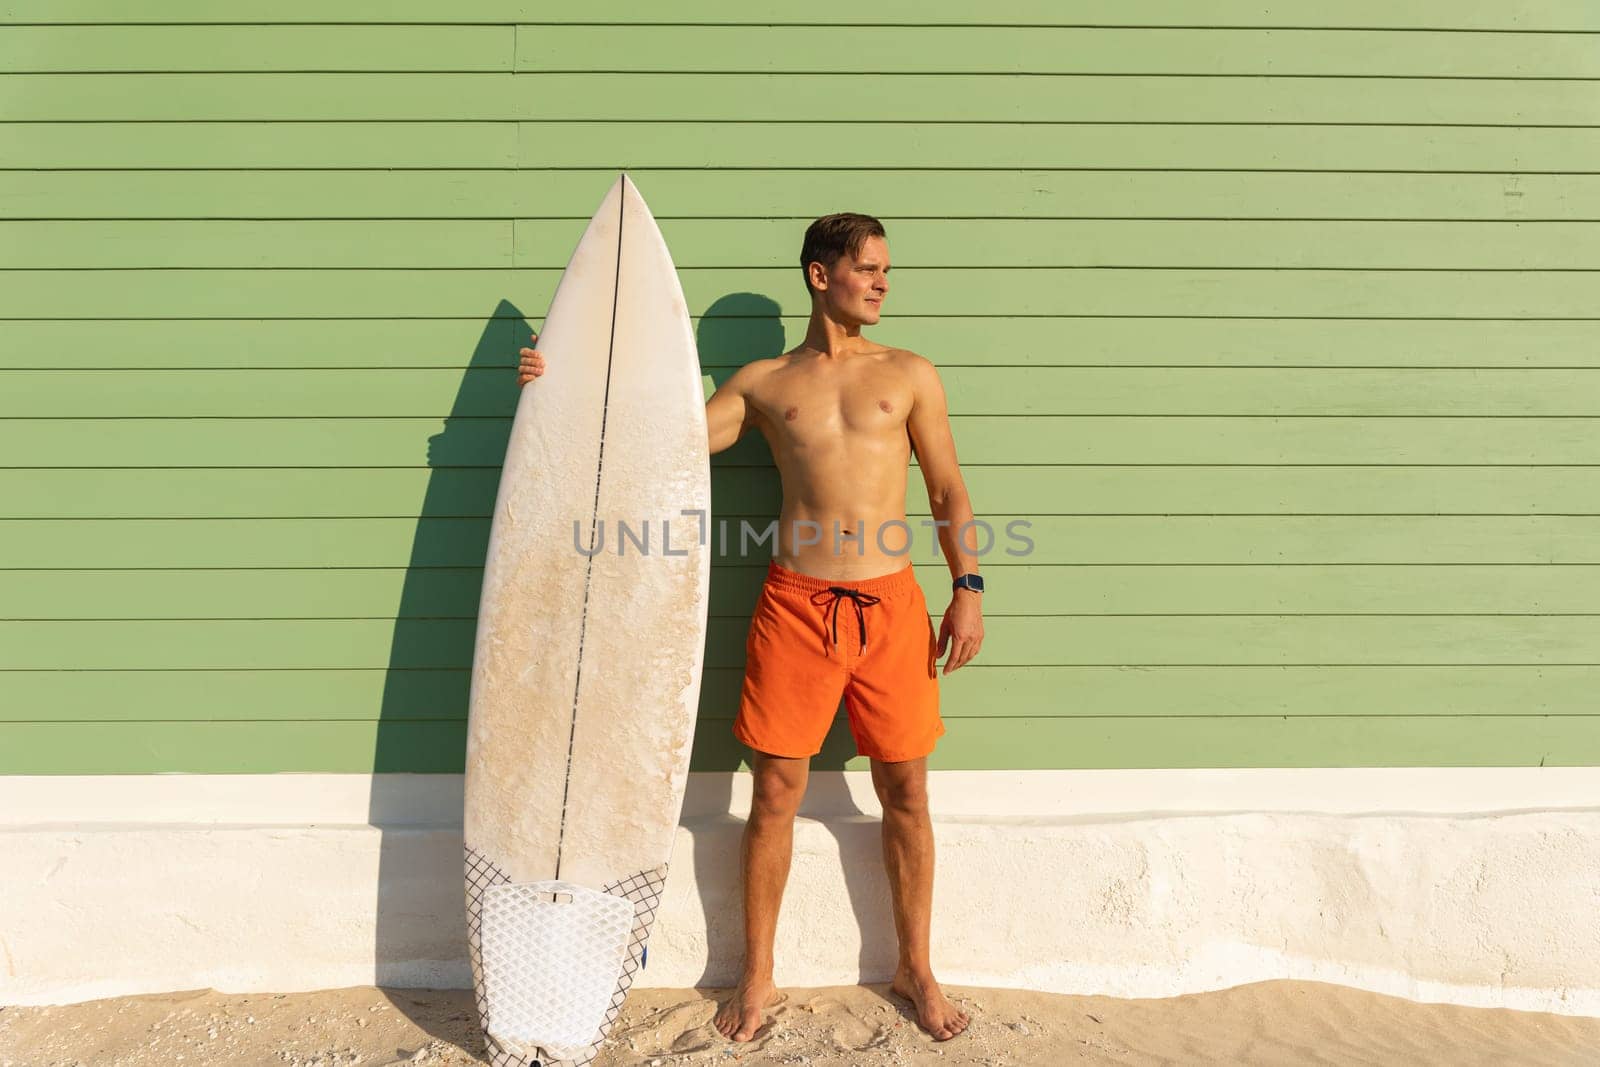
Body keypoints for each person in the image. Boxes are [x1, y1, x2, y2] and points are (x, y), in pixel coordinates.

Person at [517, 212, 982, 1043]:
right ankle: (756, 973)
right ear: (819, 275)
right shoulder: (766, 383)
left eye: (885, 270)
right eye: (867, 268)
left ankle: (916, 963)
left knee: (907, 788)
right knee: (774, 790)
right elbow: (665, 444)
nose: (881, 282)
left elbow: (947, 491)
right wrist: (561, 387)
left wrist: (969, 586)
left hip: (892, 605)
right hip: (797, 606)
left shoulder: (910, 374)